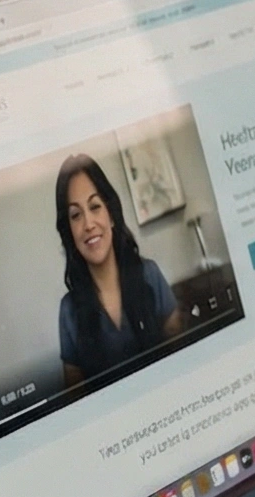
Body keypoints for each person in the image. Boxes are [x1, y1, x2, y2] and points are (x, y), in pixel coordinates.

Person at [55, 153, 181, 385]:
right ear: (69, 232)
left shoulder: (149, 275)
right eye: (75, 215)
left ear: (111, 214)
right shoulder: (69, 312)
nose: (88, 224)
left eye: (95, 206)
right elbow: (76, 400)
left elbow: (183, 359)